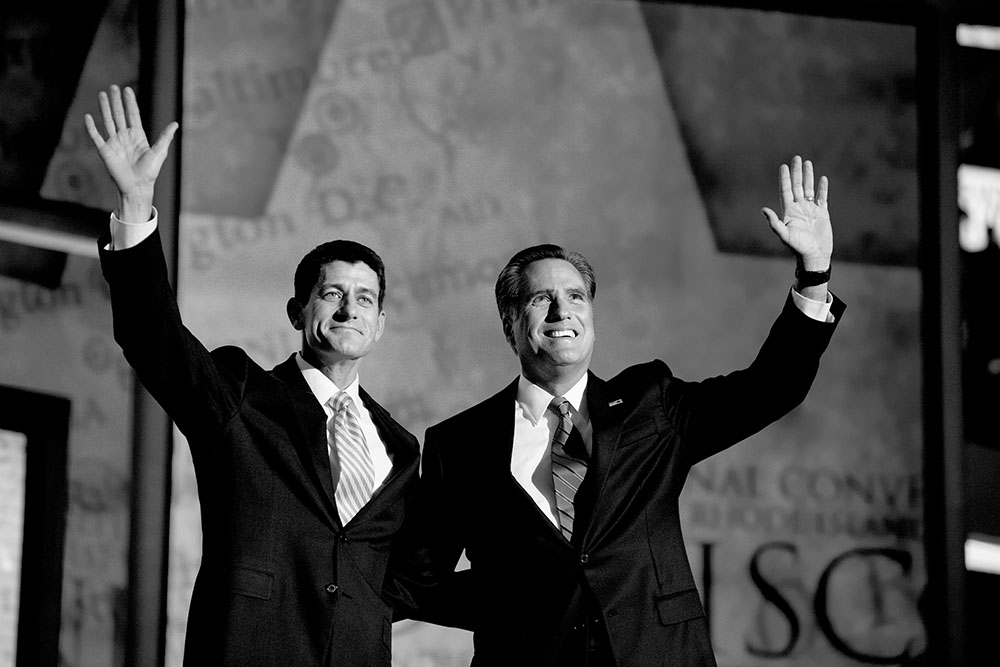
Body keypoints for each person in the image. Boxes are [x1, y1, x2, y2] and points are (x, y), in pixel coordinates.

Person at [412, 156, 845, 666]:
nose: (562, 311)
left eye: (576, 297)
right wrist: (515, 601)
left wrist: (814, 274)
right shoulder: (459, 443)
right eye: (541, 299)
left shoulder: (651, 403)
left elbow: (771, 388)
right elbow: (419, 582)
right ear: (510, 324)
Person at [87, 85, 420, 666]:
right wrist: (136, 204)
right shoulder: (242, 392)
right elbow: (153, 339)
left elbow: (404, 580)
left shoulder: (401, 447)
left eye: (365, 299)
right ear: (297, 312)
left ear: (380, 325)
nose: (349, 310)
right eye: (332, 294)